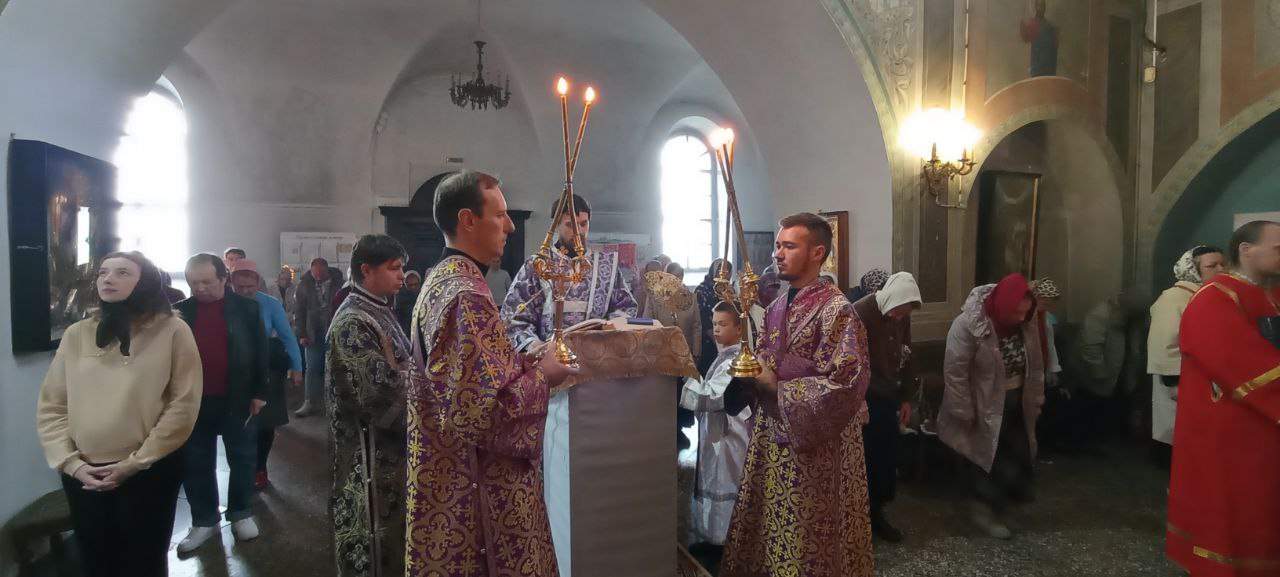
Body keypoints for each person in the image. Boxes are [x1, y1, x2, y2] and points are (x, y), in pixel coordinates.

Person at [406, 170, 574, 576]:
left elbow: (472, 376)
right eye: (499, 215)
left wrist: (523, 362)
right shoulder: (467, 296)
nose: (510, 226)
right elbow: (482, 414)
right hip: (476, 487)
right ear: (467, 220)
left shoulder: (442, 279)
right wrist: (545, 376)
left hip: (447, 469)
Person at [720, 213, 873, 577]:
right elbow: (766, 357)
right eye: (778, 245)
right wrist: (752, 374)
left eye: (789, 246)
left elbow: (849, 381)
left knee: (809, 532)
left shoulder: (837, 309)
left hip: (817, 447)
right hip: (771, 435)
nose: (778, 253)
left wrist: (778, 386)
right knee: (770, 521)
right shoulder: (775, 306)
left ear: (817, 253)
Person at [36, 251, 202, 577]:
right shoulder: (77, 333)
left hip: (148, 470)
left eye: (123, 272)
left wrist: (134, 463)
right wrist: (71, 464)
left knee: (144, 562)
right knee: (96, 560)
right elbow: (52, 406)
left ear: (146, 282)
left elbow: (183, 404)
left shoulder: (172, 330)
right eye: (103, 272)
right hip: (85, 473)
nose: (108, 279)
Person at [1167, 220, 1280, 576]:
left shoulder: (1272, 293)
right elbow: (1239, 360)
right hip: (1235, 431)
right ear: (1246, 250)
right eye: (1278, 248)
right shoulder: (1214, 298)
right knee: (1240, 508)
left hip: (1266, 427)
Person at [327, 234, 416, 577]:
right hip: (369, 458)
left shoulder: (378, 309)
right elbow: (378, 394)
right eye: (394, 268)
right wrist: (431, 387)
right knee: (374, 545)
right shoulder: (352, 322)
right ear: (366, 270)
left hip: (391, 454)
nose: (401, 275)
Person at [174, 253, 269, 553]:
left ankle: (241, 512)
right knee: (195, 460)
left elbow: (261, 351)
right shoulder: (179, 312)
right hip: (192, 400)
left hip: (237, 397)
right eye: (194, 283)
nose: (200, 288)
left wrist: (260, 392)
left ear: (223, 278)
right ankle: (204, 520)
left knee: (242, 457)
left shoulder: (247, 308)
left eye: (207, 282)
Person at [939, 273, 1045, 539]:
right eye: (1016, 312)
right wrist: (963, 410)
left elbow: (1035, 363)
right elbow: (955, 371)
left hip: (1017, 400)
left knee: (1015, 455)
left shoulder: (1026, 323)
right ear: (1004, 305)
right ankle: (983, 510)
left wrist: (1036, 396)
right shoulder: (969, 325)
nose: (1021, 317)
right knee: (987, 458)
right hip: (982, 404)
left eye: (1025, 312)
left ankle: (1004, 506)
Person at [500, 193, 639, 353]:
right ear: (556, 225)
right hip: (548, 358)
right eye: (570, 225)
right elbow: (513, 318)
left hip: (596, 357)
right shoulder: (537, 265)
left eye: (583, 224)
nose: (579, 231)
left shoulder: (606, 265)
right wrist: (535, 346)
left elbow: (627, 308)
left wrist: (607, 332)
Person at [681, 301, 752, 567]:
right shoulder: (725, 355)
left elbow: (713, 396)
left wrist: (686, 377)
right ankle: (711, 534)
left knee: (724, 479)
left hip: (728, 433)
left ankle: (723, 539)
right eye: (714, 324)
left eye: (723, 324)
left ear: (739, 328)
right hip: (717, 430)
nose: (717, 329)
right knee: (712, 476)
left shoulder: (735, 359)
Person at [852, 271, 921, 543]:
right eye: (898, 312)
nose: (899, 318)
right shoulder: (861, 311)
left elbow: (907, 353)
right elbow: (851, 358)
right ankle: (859, 519)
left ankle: (877, 512)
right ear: (891, 298)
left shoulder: (901, 314)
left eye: (904, 314)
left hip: (889, 394)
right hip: (864, 398)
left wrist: (906, 398)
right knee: (866, 459)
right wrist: (858, 399)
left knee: (885, 457)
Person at [228, 259, 303, 489]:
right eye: (239, 287)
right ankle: (241, 469)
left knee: (265, 423)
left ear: (258, 282)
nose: (245, 291)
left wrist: (297, 367)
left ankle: (260, 467)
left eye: (249, 286)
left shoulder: (269, 304)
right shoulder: (225, 303)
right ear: (231, 284)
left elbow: (287, 336)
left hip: (267, 368)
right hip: (234, 372)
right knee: (236, 425)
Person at [1147, 247, 1224, 450]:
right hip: (1180, 380)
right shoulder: (1173, 298)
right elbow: (1164, 343)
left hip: (1203, 379)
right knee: (1179, 435)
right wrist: (1174, 383)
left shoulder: (1209, 295)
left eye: (1222, 264)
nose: (1220, 269)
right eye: (1212, 266)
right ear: (1193, 270)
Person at [294, 257, 344, 417]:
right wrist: (302, 334)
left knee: (336, 368)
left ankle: (338, 404)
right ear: (310, 272)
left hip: (335, 331)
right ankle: (310, 402)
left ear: (327, 271)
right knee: (312, 368)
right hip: (312, 332)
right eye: (315, 275)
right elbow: (299, 311)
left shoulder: (340, 284)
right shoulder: (303, 285)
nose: (318, 278)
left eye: (321, 275)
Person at [696, 259, 732, 375]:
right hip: (709, 340)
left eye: (728, 272)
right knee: (709, 370)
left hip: (727, 338)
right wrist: (714, 336)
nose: (725, 275)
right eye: (721, 272)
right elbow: (701, 317)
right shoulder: (702, 290)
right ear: (714, 272)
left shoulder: (729, 291)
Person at [395, 269, 422, 334]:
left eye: (415, 284)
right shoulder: (400, 300)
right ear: (405, 285)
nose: (413, 287)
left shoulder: (423, 296)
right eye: (410, 285)